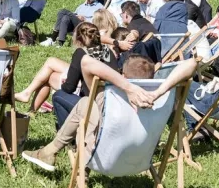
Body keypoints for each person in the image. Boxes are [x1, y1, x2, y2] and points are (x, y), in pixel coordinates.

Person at [22, 55, 200, 173]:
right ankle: (48, 151)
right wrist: (158, 92)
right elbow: (192, 62)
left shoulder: (109, 96)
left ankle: (50, 151)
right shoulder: (160, 100)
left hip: (103, 159)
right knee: (85, 104)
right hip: (142, 160)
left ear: (122, 74)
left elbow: (85, 61)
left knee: (85, 104)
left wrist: (128, 87)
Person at [16, 22, 108, 112]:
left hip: (85, 90)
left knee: (48, 76)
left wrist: (63, 84)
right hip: (101, 88)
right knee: (51, 61)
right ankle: (27, 94)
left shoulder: (80, 54)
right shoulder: (105, 50)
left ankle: (31, 108)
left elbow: (70, 86)